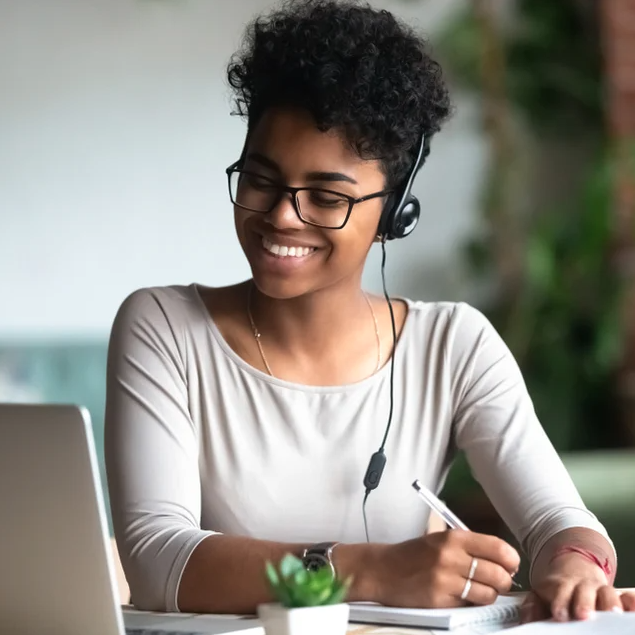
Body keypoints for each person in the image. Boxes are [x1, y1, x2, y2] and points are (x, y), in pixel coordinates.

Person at [104, 0, 635, 623]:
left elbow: (560, 522)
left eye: (327, 197)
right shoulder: (163, 329)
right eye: (260, 179)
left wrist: (575, 563)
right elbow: (156, 560)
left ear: (392, 216)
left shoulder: (453, 346)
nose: (280, 215)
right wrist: (371, 569)